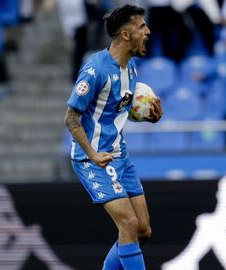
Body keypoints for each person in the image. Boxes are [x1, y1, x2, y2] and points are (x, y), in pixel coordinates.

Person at [63, 4, 163, 270]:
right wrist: (92, 154)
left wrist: (148, 115)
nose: (148, 31)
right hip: (93, 159)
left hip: (120, 155)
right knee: (128, 224)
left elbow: (117, 108)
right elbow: (70, 118)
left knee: (142, 231)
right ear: (126, 35)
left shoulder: (130, 70)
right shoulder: (94, 70)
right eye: (142, 27)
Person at [161, 174, 226, 270]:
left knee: (209, 225)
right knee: (210, 224)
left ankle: (187, 260)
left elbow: (217, 222)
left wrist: (205, 220)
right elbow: (218, 219)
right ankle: (187, 260)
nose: (218, 194)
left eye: (222, 190)